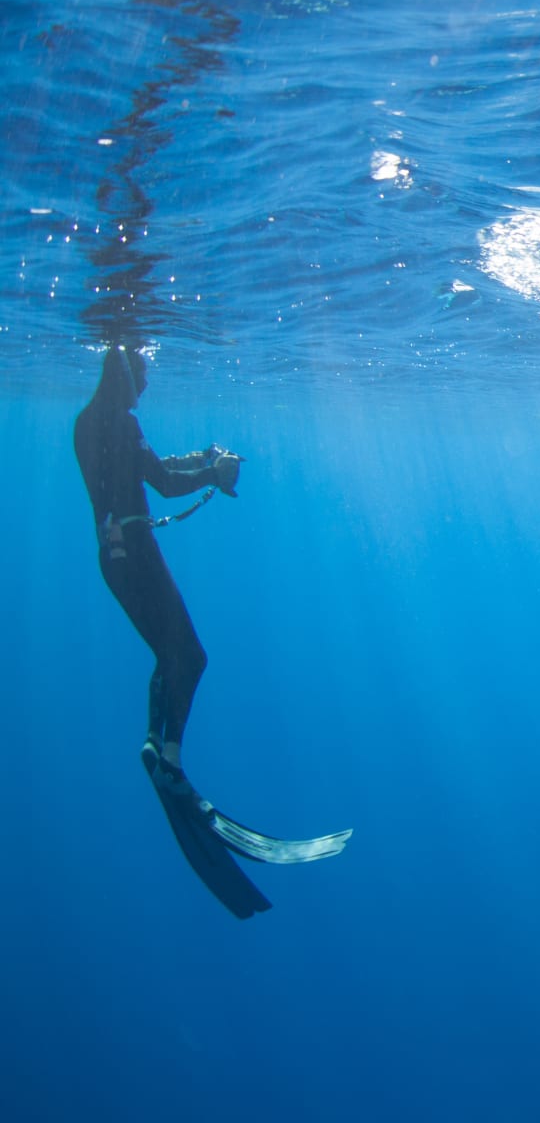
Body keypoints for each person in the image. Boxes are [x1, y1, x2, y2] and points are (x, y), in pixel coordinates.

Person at [75, 346, 349, 918]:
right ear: (122, 372)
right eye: (142, 375)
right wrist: (215, 472)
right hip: (138, 557)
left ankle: (159, 748)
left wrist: (201, 457)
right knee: (190, 658)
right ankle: (168, 759)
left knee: (168, 656)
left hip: (115, 557)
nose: (146, 386)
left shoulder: (90, 421)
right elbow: (165, 486)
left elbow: (145, 469)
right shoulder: (121, 421)